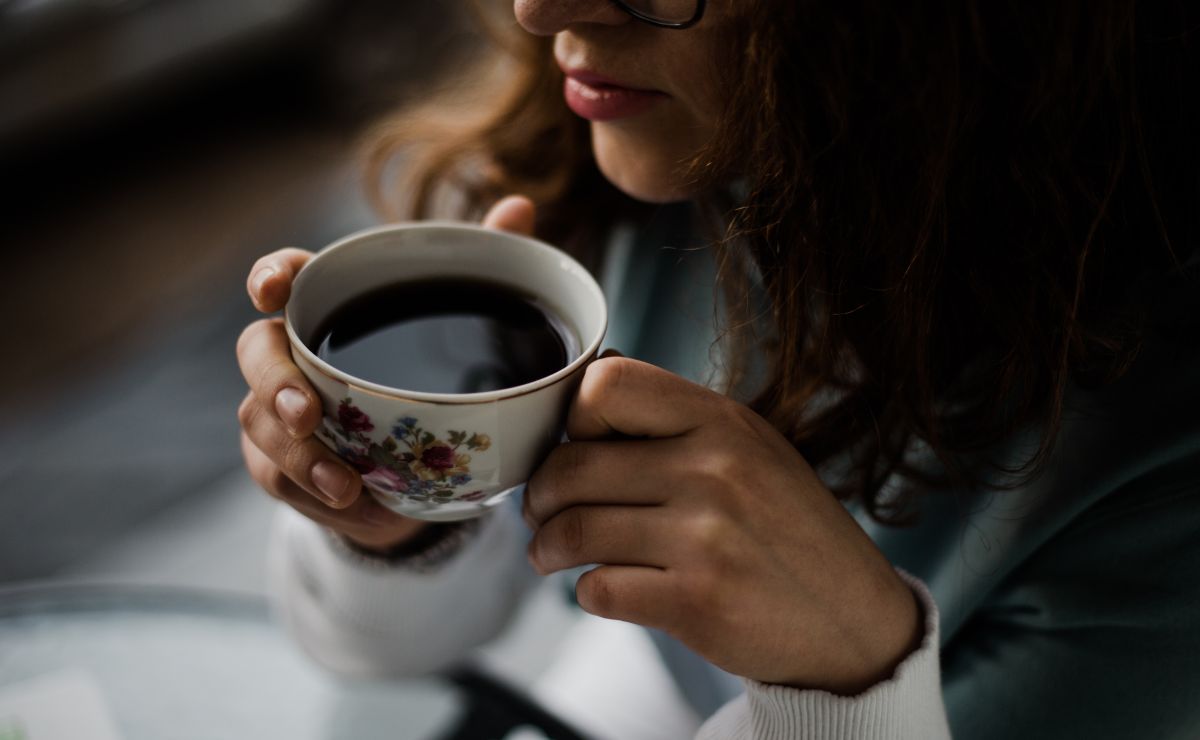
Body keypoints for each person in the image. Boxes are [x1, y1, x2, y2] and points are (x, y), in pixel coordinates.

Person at [235, 1, 1200, 737]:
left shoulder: (1155, 463)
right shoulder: (634, 155)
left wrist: (851, 683)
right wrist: (401, 515)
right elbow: (377, 648)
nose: (537, 9)